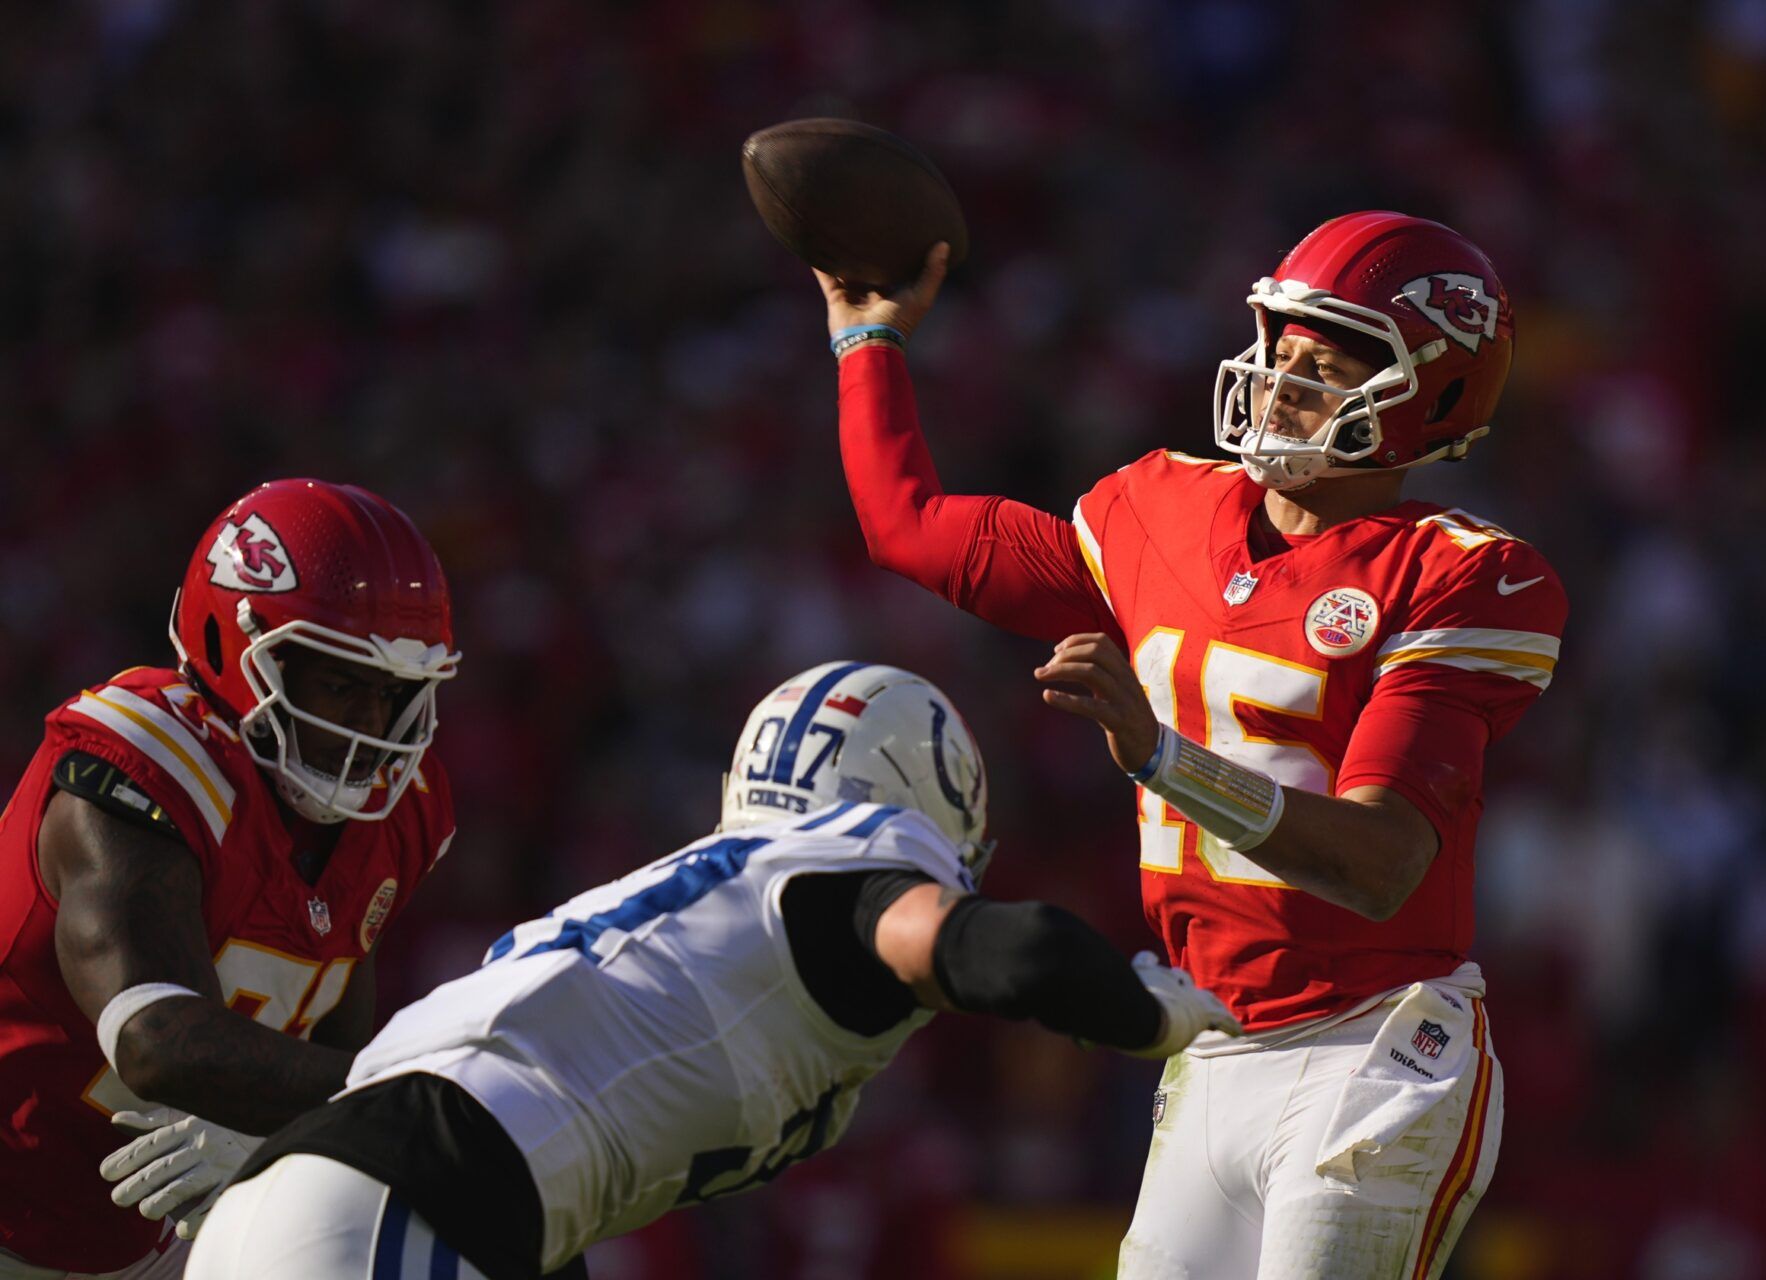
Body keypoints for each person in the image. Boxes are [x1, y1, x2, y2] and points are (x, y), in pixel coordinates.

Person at [813, 211, 1567, 1278]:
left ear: (1429, 400)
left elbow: (1379, 862)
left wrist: (1161, 755)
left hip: (1375, 1044)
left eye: (1327, 362)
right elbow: (910, 523)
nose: (1280, 381)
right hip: (1210, 1044)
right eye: (1279, 351)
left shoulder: (1459, 575)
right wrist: (867, 338)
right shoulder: (1158, 510)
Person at [183, 661, 1241, 1280]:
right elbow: (1016, 952)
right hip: (402, 1209)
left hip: (330, 1201)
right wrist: (1150, 1013)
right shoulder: (849, 869)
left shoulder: (694, 906)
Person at [0, 479, 461, 1279]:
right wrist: (417, 1098)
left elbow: (329, 1040)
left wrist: (296, 1133)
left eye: (393, 695)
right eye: (341, 684)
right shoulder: (137, 764)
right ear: (232, 647)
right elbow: (155, 1040)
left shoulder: (398, 814)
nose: (369, 729)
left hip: (143, 1236)